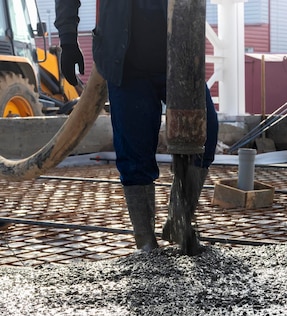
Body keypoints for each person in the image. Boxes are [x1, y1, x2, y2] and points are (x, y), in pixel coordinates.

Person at [54, 0, 219, 252]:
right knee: (134, 154)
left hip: (180, 55)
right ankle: (146, 244)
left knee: (204, 135)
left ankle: (179, 221)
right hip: (125, 62)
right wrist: (67, 38)